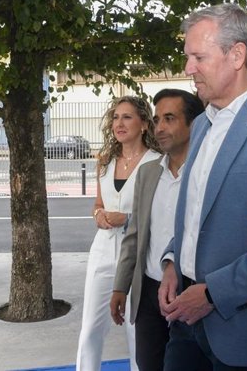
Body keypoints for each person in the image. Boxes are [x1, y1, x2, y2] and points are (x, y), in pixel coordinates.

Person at [158, 4, 247, 371]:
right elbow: (194, 215)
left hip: (242, 330)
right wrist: (171, 263)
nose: (188, 69)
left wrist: (214, 293)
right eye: (187, 57)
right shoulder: (200, 126)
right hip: (184, 321)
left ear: (237, 55)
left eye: (198, 57)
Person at [110, 89, 204, 371]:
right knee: (148, 364)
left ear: (193, 124)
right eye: (157, 119)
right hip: (149, 293)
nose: (159, 127)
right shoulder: (148, 172)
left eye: (170, 118)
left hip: (188, 292)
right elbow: (134, 235)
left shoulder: (203, 173)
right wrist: (120, 287)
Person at [76, 96, 162, 371]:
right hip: (102, 252)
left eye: (127, 117)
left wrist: (126, 218)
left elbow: (161, 214)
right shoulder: (105, 162)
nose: (119, 123)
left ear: (145, 124)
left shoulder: (157, 162)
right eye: (115, 117)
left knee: (136, 332)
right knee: (90, 328)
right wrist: (98, 215)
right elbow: (98, 205)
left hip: (138, 256)